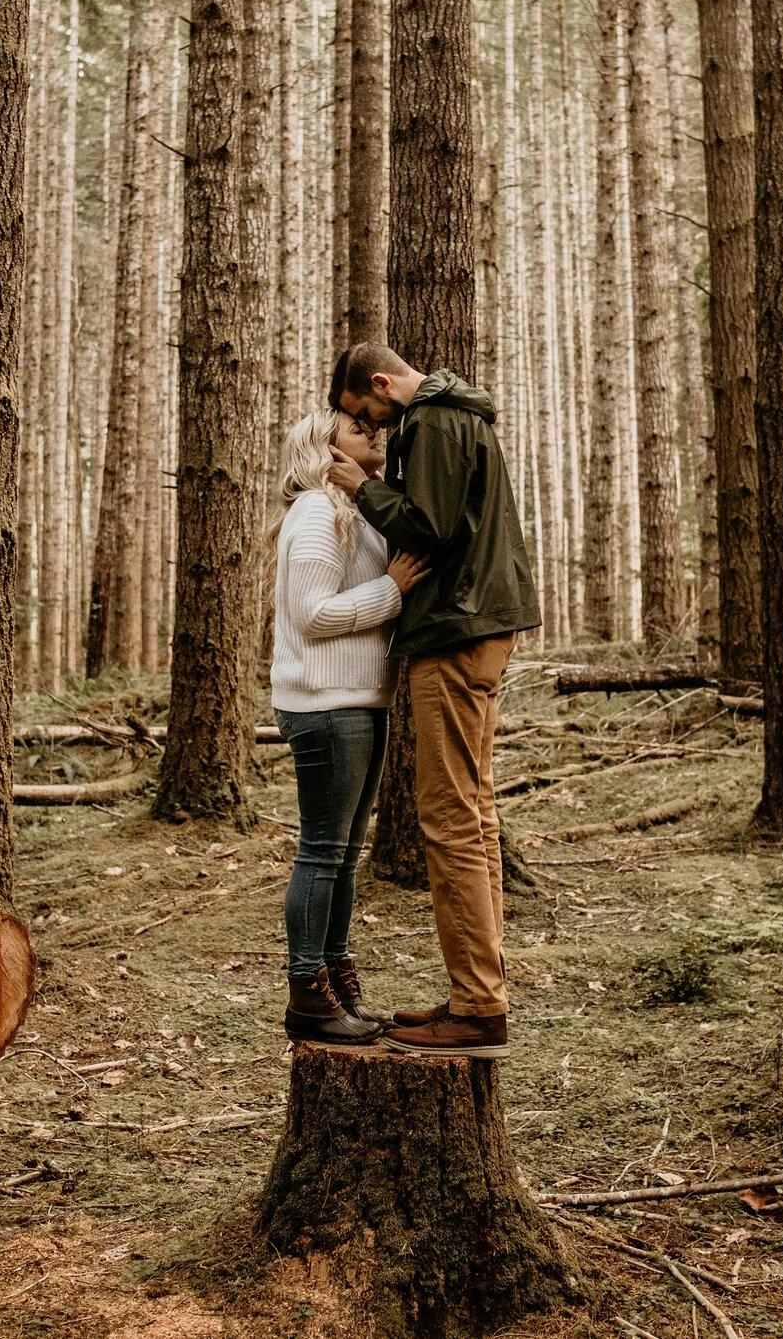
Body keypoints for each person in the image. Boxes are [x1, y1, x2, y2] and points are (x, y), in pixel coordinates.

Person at [324, 342, 541, 1060]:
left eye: (367, 414)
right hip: (478, 624)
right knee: (472, 813)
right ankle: (479, 993)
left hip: (457, 627)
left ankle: (478, 1005)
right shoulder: (456, 417)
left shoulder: (435, 422)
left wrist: (362, 489)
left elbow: (433, 529)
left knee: (449, 817)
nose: (374, 432)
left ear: (382, 384)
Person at [271, 407, 430, 1044]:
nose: (372, 430)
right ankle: (307, 992)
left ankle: (336, 979)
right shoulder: (315, 510)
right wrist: (391, 590)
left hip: (359, 701)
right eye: (355, 427)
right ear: (324, 447)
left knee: (343, 857)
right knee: (323, 852)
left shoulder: (357, 511)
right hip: (324, 705)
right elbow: (313, 615)